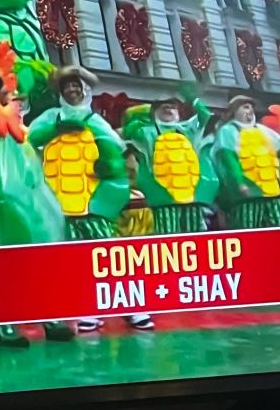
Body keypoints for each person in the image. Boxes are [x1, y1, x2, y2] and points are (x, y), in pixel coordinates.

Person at [0, 50, 71, 346]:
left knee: (37, 261)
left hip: (30, 209)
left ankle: (51, 317)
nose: (12, 97)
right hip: (1, 211)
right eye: (3, 92)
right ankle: (4, 325)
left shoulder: (18, 130)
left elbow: (32, 169)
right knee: (3, 266)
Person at [28, 67, 150, 331]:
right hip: (59, 206)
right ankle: (88, 309)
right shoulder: (50, 117)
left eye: (77, 85)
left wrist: (109, 164)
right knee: (72, 262)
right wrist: (55, 128)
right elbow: (28, 140)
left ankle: (131, 307)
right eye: (67, 86)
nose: (72, 90)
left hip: (93, 203)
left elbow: (116, 148)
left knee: (110, 256)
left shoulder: (95, 119)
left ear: (85, 90)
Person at [123, 89, 218, 235]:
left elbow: (205, 116)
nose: (168, 109)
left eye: (172, 106)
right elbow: (128, 128)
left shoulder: (188, 129)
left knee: (196, 236)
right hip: (162, 198)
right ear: (155, 111)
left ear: (179, 112)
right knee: (168, 237)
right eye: (163, 106)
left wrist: (193, 99)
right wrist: (146, 111)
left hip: (192, 197)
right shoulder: (146, 131)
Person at [212, 95, 280, 228]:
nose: (250, 111)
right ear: (234, 111)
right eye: (245, 107)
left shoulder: (263, 130)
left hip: (273, 193)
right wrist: (240, 183)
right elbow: (229, 160)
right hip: (248, 194)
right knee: (248, 231)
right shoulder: (228, 131)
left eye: (251, 107)